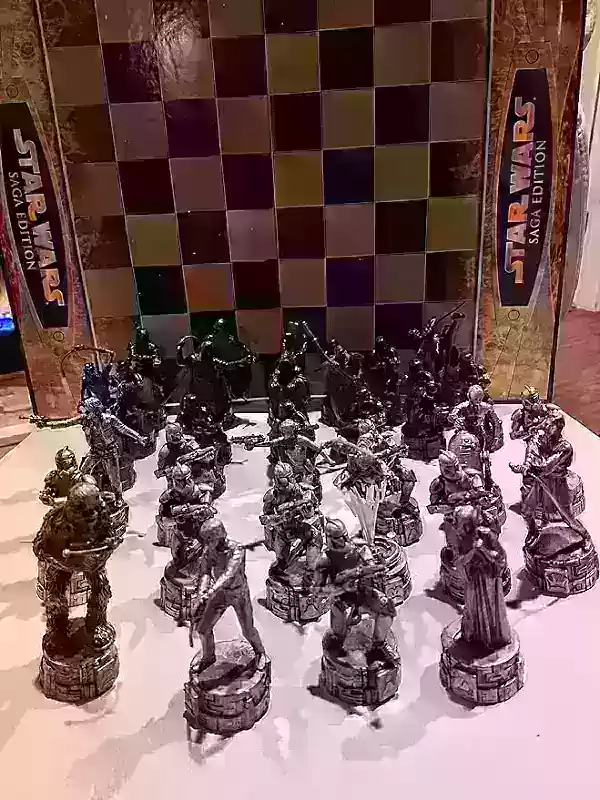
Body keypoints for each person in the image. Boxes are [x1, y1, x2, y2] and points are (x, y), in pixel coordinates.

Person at [33, 483, 121, 653]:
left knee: (101, 587)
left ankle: (96, 624)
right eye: (84, 514)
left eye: (93, 511)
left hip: (90, 563)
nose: (91, 517)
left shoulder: (102, 516)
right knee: (54, 595)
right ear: (71, 509)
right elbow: (39, 546)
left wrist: (104, 550)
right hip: (61, 563)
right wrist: (56, 559)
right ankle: (58, 629)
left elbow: (109, 539)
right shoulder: (55, 520)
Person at [314, 519, 396, 666]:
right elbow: (318, 590)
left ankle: (378, 645)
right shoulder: (325, 560)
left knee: (387, 607)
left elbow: (369, 560)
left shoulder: (357, 547)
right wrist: (340, 587)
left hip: (363, 591)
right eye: (338, 538)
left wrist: (372, 568)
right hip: (342, 598)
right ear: (330, 539)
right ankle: (338, 644)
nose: (343, 541)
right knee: (339, 633)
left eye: (343, 536)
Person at [190, 518, 267, 673]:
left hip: (239, 594)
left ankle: (260, 653)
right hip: (220, 594)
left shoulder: (237, 549)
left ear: (219, 536)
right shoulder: (209, 550)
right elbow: (205, 572)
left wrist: (210, 591)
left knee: (248, 630)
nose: (207, 545)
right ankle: (208, 657)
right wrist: (201, 593)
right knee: (203, 629)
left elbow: (229, 574)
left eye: (210, 540)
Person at [461, 525, 512, 651]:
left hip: (489, 583)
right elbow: (463, 561)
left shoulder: (489, 537)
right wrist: (473, 551)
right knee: (473, 609)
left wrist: (483, 550)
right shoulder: (470, 540)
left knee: (490, 610)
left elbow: (500, 560)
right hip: (475, 583)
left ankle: (491, 638)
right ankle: (475, 636)